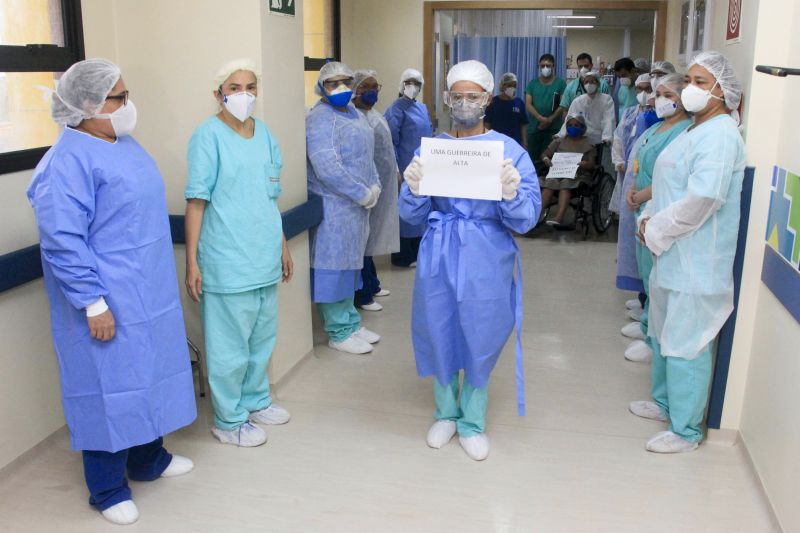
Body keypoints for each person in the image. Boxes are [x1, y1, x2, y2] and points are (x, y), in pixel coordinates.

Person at [27, 58, 196, 525]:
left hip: (146, 294)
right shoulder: (66, 162)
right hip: (105, 300)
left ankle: (148, 460)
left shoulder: (121, 143)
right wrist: (93, 302)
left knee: (147, 375)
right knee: (107, 389)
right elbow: (62, 241)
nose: (128, 105)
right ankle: (105, 488)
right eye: (119, 98)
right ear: (86, 106)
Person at [399, 60, 541, 461]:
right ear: (446, 99)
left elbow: (527, 218)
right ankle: (445, 413)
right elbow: (409, 218)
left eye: (472, 97)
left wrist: (511, 193)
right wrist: (412, 188)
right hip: (439, 252)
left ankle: (472, 420)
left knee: (481, 333)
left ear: (487, 100)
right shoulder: (433, 149)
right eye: (456, 96)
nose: (463, 103)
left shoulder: (508, 153)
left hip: (485, 254)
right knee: (438, 327)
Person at [631, 51, 745, 453]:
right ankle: (665, 405)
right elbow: (669, 187)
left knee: (686, 342)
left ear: (723, 91)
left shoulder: (720, 137)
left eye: (700, 82)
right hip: (671, 254)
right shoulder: (697, 129)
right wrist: (649, 219)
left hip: (696, 261)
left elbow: (702, 200)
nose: (691, 90)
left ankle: (686, 431)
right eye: (690, 81)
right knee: (664, 334)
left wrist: (654, 226)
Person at [185, 59, 293, 448]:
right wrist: (192, 261)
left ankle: (255, 401)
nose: (243, 94)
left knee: (261, 339)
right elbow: (196, 201)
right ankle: (229, 420)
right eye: (234, 87)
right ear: (219, 94)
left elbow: (270, 197)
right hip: (227, 259)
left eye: (250, 86)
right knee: (229, 347)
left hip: (263, 254)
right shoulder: (207, 137)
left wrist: (281, 247)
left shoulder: (264, 135)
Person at [306, 61, 382, 355]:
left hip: (356, 208)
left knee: (351, 267)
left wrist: (374, 185)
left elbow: (367, 155)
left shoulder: (354, 114)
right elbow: (327, 168)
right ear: (321, 88)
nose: (340, 88)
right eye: (331, 83)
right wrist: (361, 192)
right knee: (332, 269)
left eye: (345, 82)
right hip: (334, 207)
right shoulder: (320, 119)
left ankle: (351, 321)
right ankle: (338, 331)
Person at [622, 74, 692, 363]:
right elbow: (643, 163)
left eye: (666, 94)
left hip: (659, 207)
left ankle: (653, 339)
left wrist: (641, 196)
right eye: (658, 93)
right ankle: (646, 325)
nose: (658, 99)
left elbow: (668, 176)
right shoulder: (660, 127)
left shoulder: (684, 133)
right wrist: (635, 193)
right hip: (644, 206)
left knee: (656, 276)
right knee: (646, 270)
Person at [352, 69, 400, 312]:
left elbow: (387, 148)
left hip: (384, 183)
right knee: (365, 240)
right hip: (368, 186)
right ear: (355, 89)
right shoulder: (355, 118)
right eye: (366, 86)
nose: (371, 92)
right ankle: (363, 293)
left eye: (375, 86)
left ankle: (372, 283)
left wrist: (396, 170)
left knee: (373, 237)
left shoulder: (374, 114)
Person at [385, 68, 433, 268]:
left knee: (420, 207)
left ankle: (416, 251)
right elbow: (390, 142)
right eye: (409, 82)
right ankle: (402, 255)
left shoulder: (421, 108)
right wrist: (396, 168)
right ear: (402, 85)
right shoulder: (396, 109)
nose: (413, 87)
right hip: (405, 164)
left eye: (417, 83)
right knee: (405, 210)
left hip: (423, 164)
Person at [539, 114, 597, 230]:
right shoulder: (559, 142)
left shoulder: (588, 144)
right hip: (557, 173)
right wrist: (546, 160)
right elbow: (545, 154)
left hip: (579, 176)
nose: (572, 127)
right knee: (549, 184)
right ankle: (535, 215)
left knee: (565, 183)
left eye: (576, 125)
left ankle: (559, 217)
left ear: (582, 127)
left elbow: (592, 165)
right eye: (570, 125)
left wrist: (585, 164)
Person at [610, 73, 655, 215]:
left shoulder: (658, 115)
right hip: (627, 166)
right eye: (639, 89)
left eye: (648, 89)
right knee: (628, 202)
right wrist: (619, 161)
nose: (643, 93)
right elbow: (618, 138)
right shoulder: (629, 113)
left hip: (648, 169)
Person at [524, 53, 567, 163]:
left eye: (548, 66)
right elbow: (528, 104)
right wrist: (540, 118)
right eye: (542, 66)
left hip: (553, 128)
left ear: (553, 66)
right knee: (533, 160)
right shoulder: (532, 84)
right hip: (535, 128)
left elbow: (563, 104)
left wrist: (550, 120)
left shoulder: (560, 83)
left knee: (551, 161)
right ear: (539, 66)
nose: (545, 68)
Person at [557, 71, 615, 146]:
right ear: (583, 84)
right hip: (582, 138)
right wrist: (560, 135)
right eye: (586, 82)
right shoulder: (578, 101)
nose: (589, 84)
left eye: (592, 81)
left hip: (601, 140)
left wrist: (607, 138)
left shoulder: (606, 99)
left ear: (598, 84)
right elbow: (569, 119)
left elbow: (609, 120)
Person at [484, 72, 529, 148]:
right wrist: (486, 141)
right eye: (509, 85)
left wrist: (525, 142)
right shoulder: (493, 103)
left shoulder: (519, 103)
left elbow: (523, 124)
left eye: (514, 86)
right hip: (496, 142)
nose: (512, 88)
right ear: (502, 86)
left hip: (515, 143)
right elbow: (487, 124)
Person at [613, 57, 639, 122]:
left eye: (623, 75)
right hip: (622, 124)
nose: (621, 79)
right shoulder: (622, 88)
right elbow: (621, 108)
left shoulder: (642, 87)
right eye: (619, 77)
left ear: (633, 71)